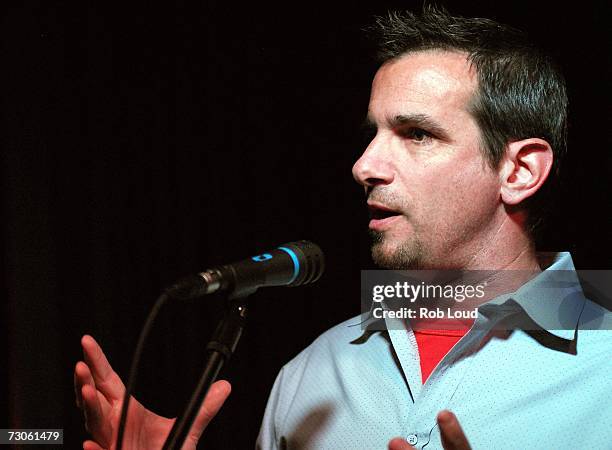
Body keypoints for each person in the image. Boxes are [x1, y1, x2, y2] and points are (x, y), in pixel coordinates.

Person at [74, 6, 612, 450]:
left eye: (417, 133)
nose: (364, 165)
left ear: (519, 171)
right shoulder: (312, 373)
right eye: (373, 132)